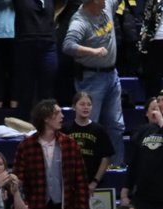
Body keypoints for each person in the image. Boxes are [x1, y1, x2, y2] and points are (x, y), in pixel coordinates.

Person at [14, 100, 91, 209]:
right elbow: (18, 184)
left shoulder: (70, 144)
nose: (62, 116)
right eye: (57, 113)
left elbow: (81, 181)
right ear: (46, 118)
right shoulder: (26, 146)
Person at [64, 0, 126, 164]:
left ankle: (117, 165)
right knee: (89, 127)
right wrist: (93, 51)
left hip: (112, 74)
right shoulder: (80, 21)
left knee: (116, 125)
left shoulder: (107, 5)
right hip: (91, 78)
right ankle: (88, 169)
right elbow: (68, 45)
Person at [65, 92, 115, 195]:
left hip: (93, 184)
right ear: (74, 107)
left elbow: (106, 158)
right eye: (82, 104)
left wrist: (95, 182)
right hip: (69, 183)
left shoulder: (99, 130)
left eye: (89, 104)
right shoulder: (65, 129)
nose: (86, 107)